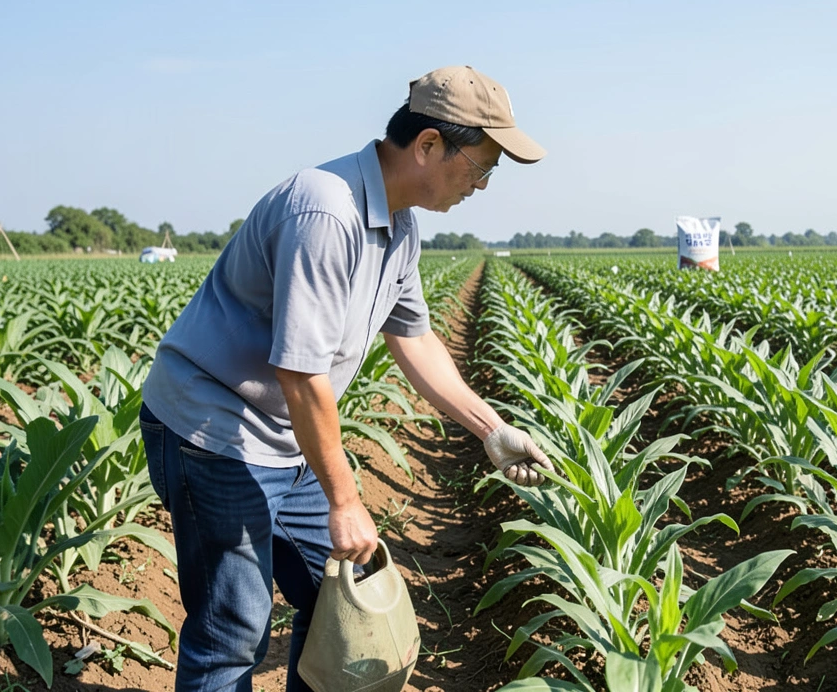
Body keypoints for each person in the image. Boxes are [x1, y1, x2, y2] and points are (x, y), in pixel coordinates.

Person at [138, 65, 554, 692]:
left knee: (342, 595)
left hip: (284, 436)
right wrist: (344, 500)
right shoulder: (326, 211)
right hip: (214, 433)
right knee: (232, 633)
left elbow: (414, 338)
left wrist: (490, 428)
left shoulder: (399, 226)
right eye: (482, 165)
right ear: (429, 145)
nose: (483, 184)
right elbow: (300, 373)